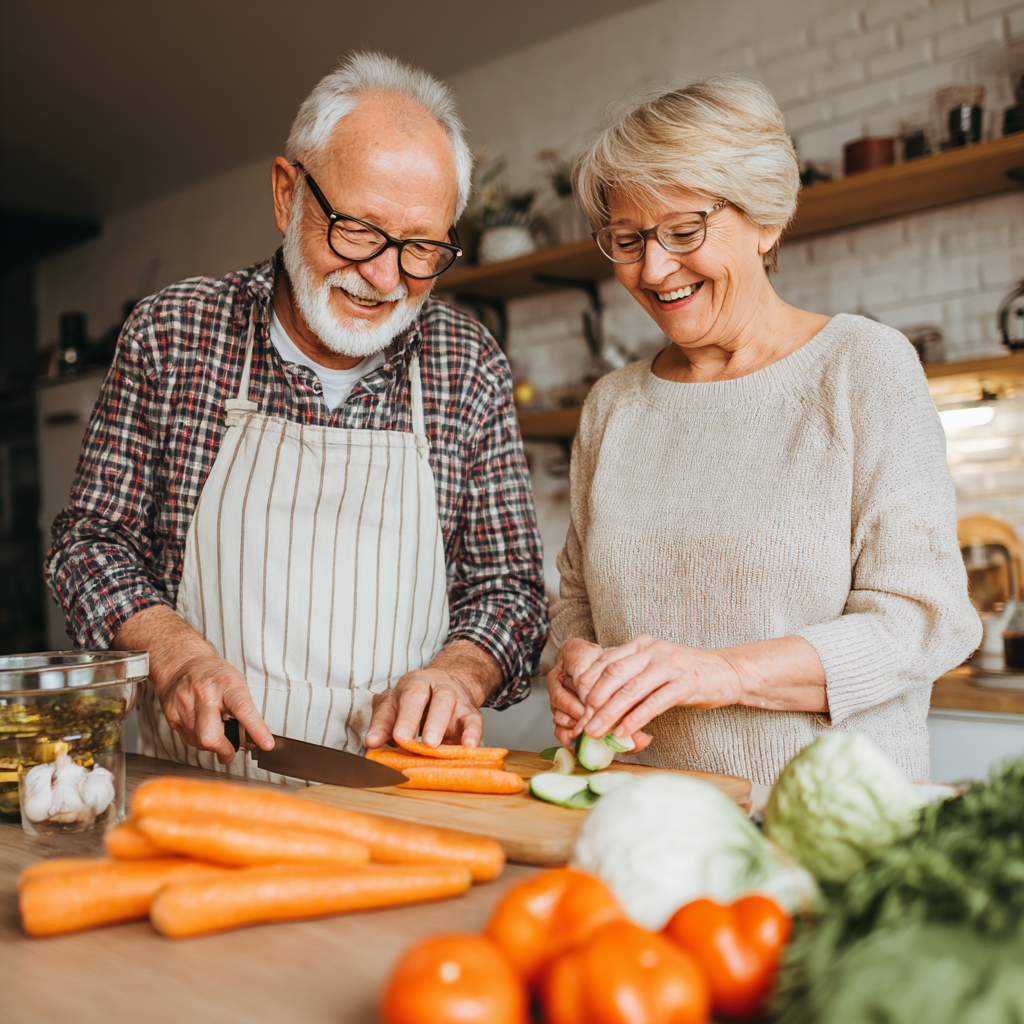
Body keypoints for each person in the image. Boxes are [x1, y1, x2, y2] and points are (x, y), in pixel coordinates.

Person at [46, 52, 547, 778]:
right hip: (192, 782)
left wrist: (461, 675)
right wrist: (175, 656)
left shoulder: (465, 363)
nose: (383, 277)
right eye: (360, 230)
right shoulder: (177, 332)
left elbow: (508, 587)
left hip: (394, 792)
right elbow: (91, 542)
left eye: (421, 249)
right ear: (288, 194)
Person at [547, 74, 980, 784]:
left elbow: (921, 622)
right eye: (626, 240)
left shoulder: (862, 368)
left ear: (767, 219)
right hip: (640, 815)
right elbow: (577, 606)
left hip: (829, 828)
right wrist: (573, 663)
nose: (654, 270)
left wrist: (719, 673)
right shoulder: (612, 405)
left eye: (685, 231)